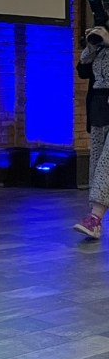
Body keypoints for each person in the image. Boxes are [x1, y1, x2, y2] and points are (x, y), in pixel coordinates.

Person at [77, 23, 109, 240]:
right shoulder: (100, 46)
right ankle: (94, 219)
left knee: (107, 160)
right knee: (98, 159)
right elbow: (83, 70)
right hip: (99, 103)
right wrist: (93, 45)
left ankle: (94, 216)